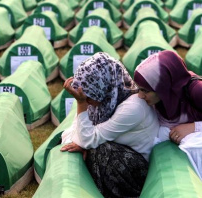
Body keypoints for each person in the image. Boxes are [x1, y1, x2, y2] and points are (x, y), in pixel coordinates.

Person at [61, 52, 159, 198]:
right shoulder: (104, 102)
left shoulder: (133, 107)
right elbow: (70, 133)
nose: (86, 100)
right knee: (95, 145)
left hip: (141, 170)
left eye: (88, 95)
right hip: (124, 158)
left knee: (102, 150)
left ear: (102, 87)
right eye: (82, 96)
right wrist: (83, 143)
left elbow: (86, 140)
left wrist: (81, 104)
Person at [133, 50, 202, 144]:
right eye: (138, 89)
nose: (140, 96)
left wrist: (194, 127)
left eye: (146, 90)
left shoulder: (197, 90)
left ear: (163, 86)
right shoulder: (163, 96)